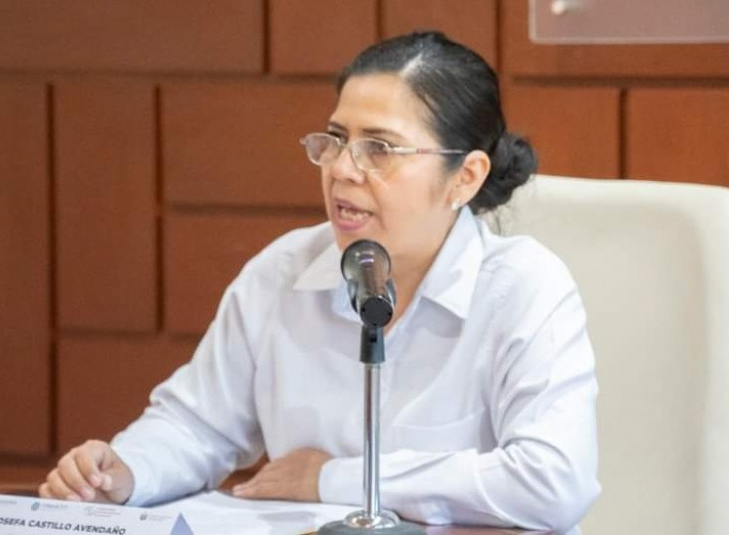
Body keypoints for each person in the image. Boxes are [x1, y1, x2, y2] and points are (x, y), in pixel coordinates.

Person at [39, 31, 600, 533]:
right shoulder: (283, 270)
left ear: (465, 177)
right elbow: (197, 425)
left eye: (379, 148)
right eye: (335, 140)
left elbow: (553, 481)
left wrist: (333, 479)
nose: (342, 169)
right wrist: (125, 472)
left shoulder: (524, 287)